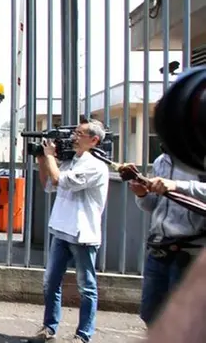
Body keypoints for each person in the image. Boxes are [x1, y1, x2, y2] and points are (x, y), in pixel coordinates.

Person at [27, 117, 110, 343]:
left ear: (93, 140)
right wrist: (42, 159)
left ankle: (83, 335)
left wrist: (51, 157)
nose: (74, 137)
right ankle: (49, 328)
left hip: (82, 234)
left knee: (86, 287)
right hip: (61, 230)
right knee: (50, 282)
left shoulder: (95, 167)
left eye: (79, 134)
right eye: (74, 133)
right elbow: (48, 184)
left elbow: (59, 180)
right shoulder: (71, 161)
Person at [123, 148, 206, 326]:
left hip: (191, 252)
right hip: (159, 248)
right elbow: (153, 205)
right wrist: (141, 193)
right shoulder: (162, 160)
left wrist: (176, 185)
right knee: (150, 314)